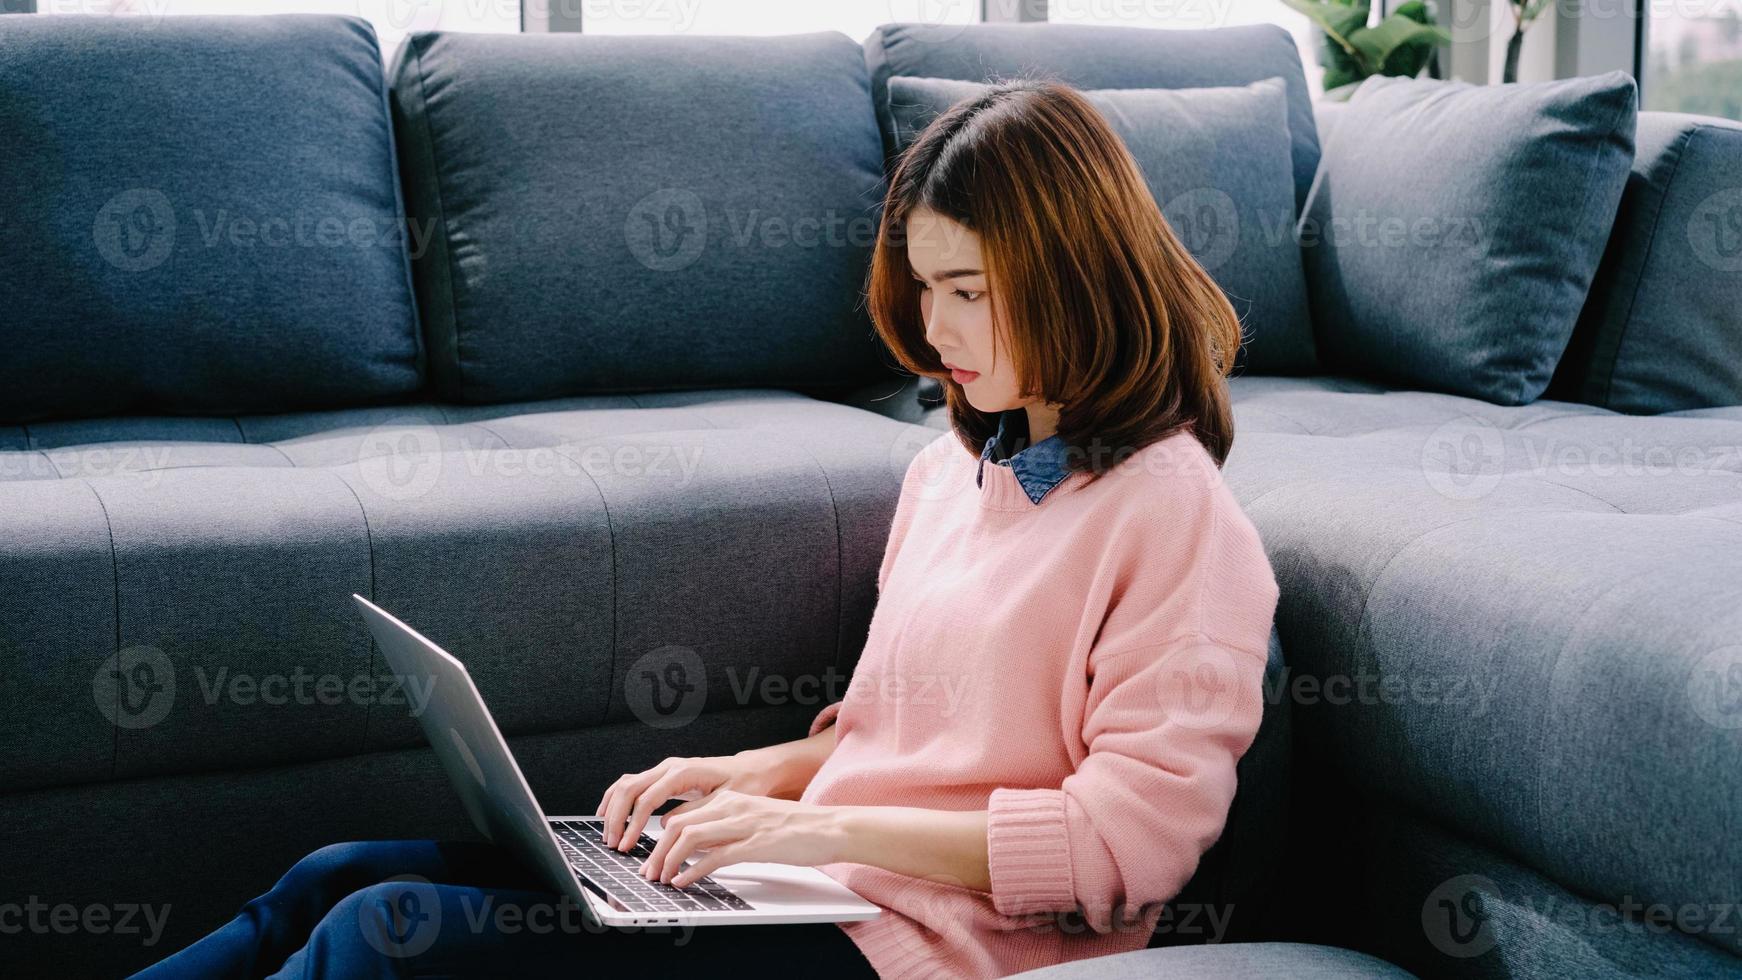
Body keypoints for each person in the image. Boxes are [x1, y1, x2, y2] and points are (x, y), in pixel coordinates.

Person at [134, 77, 1280, 979]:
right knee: (337, 874)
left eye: (968, 289)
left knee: (389, 932)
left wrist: (826, 838)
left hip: (922, 947)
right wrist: (746, 773)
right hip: (815, 883)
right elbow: (899, 736)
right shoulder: (952, 474)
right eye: (923, 286)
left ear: (1075, 274)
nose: (935, 333)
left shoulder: (1173, 515)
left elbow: (1126, 848)